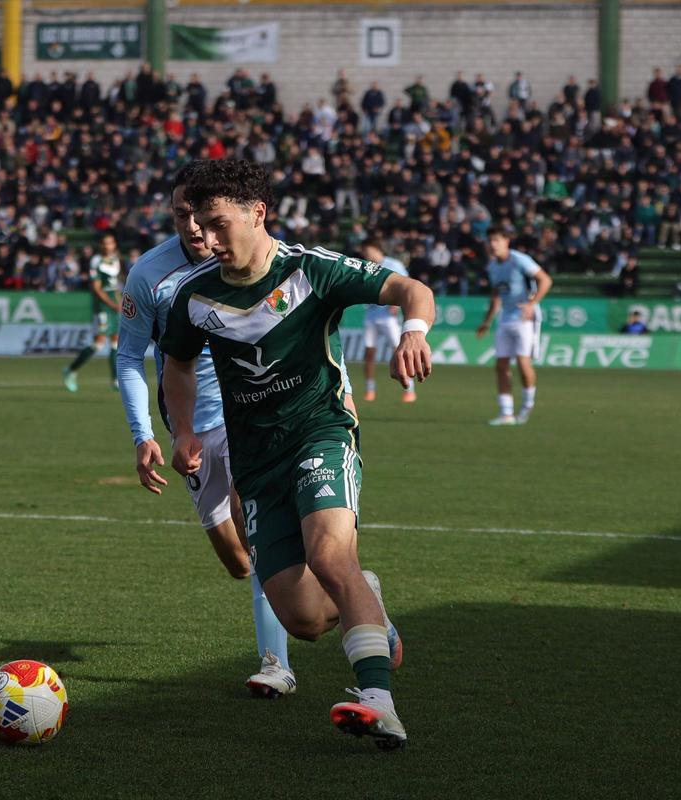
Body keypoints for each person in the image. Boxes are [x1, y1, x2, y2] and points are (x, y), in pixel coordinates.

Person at [160, 159, 434, 749]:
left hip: (320, 433)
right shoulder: (192, 296)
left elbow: (411, 289)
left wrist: (414, 331)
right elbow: (178, 364)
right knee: (305, 620)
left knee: (331, 555)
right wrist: (181, 429)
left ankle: (378, 701)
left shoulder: (311, 270)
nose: (203, 238)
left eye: (216, 223)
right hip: (255, 464)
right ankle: (372, 601)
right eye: (195, 225)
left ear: (258, 214)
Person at [115, 162, 298, 698]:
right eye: (181, 215)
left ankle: (275, 664)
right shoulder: (150, 275)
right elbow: (129, 357)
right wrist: (144, 433)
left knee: (259, 532)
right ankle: (356, 597)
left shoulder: (265, 256)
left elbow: (309, 326)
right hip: (188, 430)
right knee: (238, 561)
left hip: (255, 412)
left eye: (201, 215)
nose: (193, 228)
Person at [475, 227, 553, 426]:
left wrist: (531, 304)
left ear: (506, 241)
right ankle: (506, 413)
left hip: (525, 317)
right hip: (505, 318)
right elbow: (496, 296)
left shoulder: (519, 260)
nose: (493, 244)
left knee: (522, 362)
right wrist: (487, 321)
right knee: (501, 366)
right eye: (490, 241)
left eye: (497, 240)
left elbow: (545, 280)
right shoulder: (492, 266)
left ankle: (527, 405)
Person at [357, 238, 417, 403]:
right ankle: (370, 389)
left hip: (388, 318)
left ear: (377, 249)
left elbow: (408, 286)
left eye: (367, 251)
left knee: (400, 353)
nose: (365, 254)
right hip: (371, 315)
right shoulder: (365, 267)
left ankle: (409, 389)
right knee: (369, 353)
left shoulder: (394, 265)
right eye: (364, 252)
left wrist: (397, 304)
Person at [63, 233, 121, 391]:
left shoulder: (115, 259)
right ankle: (71, 370)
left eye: (110, 243)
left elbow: (115, 285)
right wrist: (111, 304)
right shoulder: (96, 261)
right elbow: (96, 288)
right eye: (104, 243)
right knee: (99, 343)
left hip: (113, 301)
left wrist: (120, 301)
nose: (107, 246)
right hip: (102, 304)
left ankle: (115, 379)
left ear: (114, 245)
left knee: (116, 340)